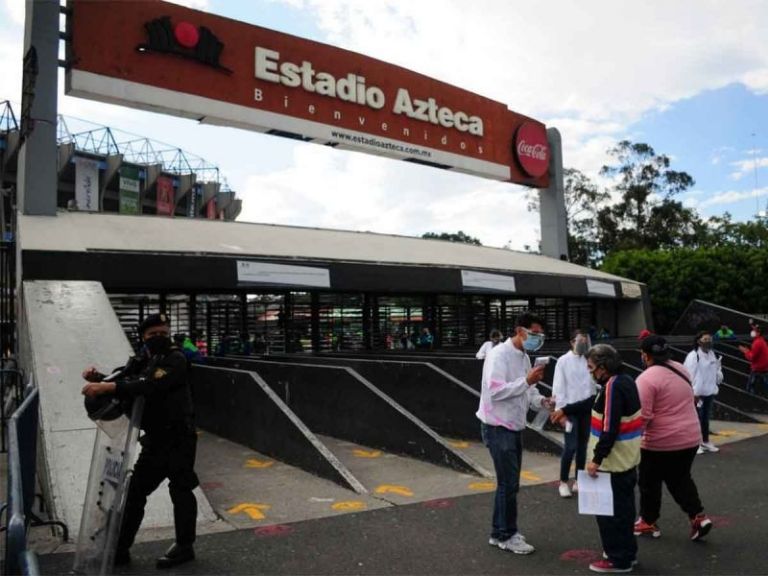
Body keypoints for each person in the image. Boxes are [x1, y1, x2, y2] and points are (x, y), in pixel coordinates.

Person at [81, 313, 198, 569]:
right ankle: (120, 548)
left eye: (162, 334)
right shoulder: (143, 359)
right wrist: (99, 379)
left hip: (179, 437)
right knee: (135, 493)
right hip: (155, 440)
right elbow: (124, 377)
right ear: (143, 337)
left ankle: (184, 546)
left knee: (181, 489)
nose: (158, 338)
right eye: (152, 335)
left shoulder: (175, 359)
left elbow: (149, 385)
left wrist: (108, 388)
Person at [557, 344, 642, 573]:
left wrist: (596, 459)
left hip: (612, 463)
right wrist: (567, 408)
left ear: (604, 367)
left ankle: (616, 559)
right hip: (627, 460)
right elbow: (593, 403)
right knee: (624, 512)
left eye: (592, 367)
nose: (590, 371)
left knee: (608, 513)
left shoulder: (613, 387)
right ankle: (626, 553)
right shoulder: (625, 381)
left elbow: (609, 427)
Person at [476, 312, 552, 555]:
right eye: (534, 333)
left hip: (513, 425)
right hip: (498, 426)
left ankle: (501, 531)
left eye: (541, 335)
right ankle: (505, 535)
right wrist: (527, 382)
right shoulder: (499, 354)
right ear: (520, 330)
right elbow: (495, 392)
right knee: (508, 484)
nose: (538, 338)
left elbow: (528, 393)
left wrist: (543, 402)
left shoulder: (524, 356)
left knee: (509, 484)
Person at [634, 335, 713, 543]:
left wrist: (630, 440)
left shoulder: (646, 379)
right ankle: (698, 517)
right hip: (690, 437)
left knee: (649, 482)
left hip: (660, 442)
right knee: (680, 478)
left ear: (645, 355)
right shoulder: (680, 368)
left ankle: (648, 522)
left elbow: (643, 416)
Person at [550, 330, 595, 498]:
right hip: (569, 411)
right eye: (580, 340)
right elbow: (558, 387)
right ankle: (563, 482)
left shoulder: (588, 360)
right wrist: (560, 412)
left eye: (586, 340)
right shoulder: (563, 361)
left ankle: (579, 480)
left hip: (585, 410)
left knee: (583, 447)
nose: (583, 344)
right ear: (572, 342)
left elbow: (592, 385)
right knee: (570, 447)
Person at [683, 331, 723, 454]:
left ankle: (705, 442)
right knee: (696, 419)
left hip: (709, 392)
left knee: (705, 419)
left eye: (709, 339)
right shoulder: (693, 356)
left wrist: (719, 375)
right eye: (705, 339)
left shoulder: (711, 354)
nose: (708, 341)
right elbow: (690, 374)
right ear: (698, 341)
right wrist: (694, 392)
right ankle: (695, 443)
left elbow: (716, 369)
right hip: (697, 394)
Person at [738, 323, 768, 395]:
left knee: (751, 384)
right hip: (765, 367)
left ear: (759, 333)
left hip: (759, 367)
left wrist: (745, 351)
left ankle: (750, 394)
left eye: (755, 330)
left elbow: (751, 357)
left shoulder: (757, 343)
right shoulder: (761, 341)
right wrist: (749, 351)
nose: (753, 331)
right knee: (764, 382)